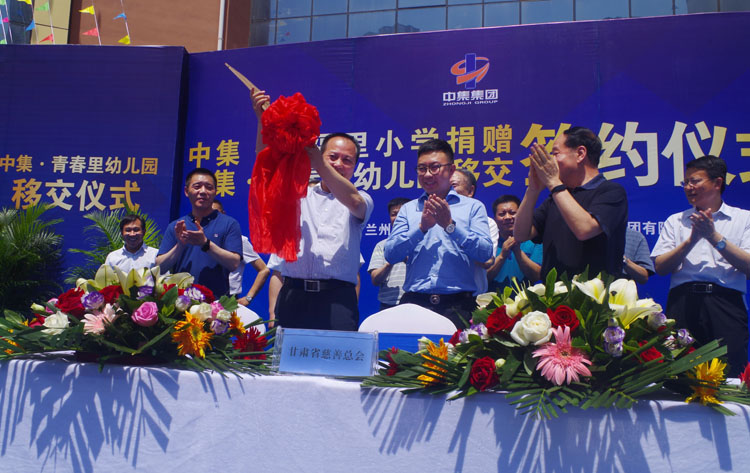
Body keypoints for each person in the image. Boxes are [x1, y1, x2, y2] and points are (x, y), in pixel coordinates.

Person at [252, 90, 374, 331]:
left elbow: (354, 202)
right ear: (322, 155)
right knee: (288, 356)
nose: (339, 164)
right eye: (332, 157)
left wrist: (318, 160)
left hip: (337, 299)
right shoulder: (299, 193)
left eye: (347, 160)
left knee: (337, 356)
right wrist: (263, 121)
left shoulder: (361, 199)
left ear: (355, 166)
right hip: (294, 295)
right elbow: (267, 165)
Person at [652, 155, 750, 376]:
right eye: (685, 182)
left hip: (725, 305)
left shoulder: (743, 219)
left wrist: (714, 237)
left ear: (717, 182)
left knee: (730, 374)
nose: (688, 187)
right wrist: (691, 240)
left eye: (695, 181)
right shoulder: (676, 221)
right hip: (682, 304)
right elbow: (660, 267)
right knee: (680, 376)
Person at [384, 139, 493, 328]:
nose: (427, 174)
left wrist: (450, 226)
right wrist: (421, 228)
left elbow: (485, 253)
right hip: (415, 303)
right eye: (422, 168)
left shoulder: (473, 207)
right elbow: (391, 254)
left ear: (451, 170)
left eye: (434, 167)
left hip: (459, 305)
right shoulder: (408, 209)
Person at [514, 126, 628, 279]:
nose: (551, 161)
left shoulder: (611, 192)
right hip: (554, 291)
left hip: (594, 292)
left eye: (556, 153)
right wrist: (533, 190)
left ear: (580, 154)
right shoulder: (555, 197)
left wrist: (554, 182)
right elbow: (521, 234)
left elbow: (584, 229)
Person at [156, 168, 242, 297]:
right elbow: (160, 267)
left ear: (215, 192)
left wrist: (205, 244)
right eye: (197, 187)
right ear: (186, 191)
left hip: (216, 303)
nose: (202, 191)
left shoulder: (229, 224)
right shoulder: (176, 226)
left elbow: (234, 263)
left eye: (209, 187)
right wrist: (180, 245)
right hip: (181, 301)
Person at [211, 200, 270, 306]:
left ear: (223, 214)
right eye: (208, 214)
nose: (212, 218)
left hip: (228, 299)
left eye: (216, 213)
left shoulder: (239, 240)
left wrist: (248, 298)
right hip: (201, 295)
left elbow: (264, 270)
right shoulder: (198, 239)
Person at [450, 168, 499, 294]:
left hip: (472, 297)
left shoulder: (488, 223)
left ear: (470, 191)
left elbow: (487, 261)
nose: (448, 191)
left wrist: (452, 232)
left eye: (453, 185)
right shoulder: (431, 220)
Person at [486, 195, 542, 291]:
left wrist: (518, 252)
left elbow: (537, 276)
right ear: (494, 219)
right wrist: (502, 255)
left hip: (526, 299)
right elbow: (483, 279)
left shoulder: (535, 240)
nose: (508, 217)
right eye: (502, 214)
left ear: (521, 215)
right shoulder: (487, 242)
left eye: (512, 213)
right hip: (492, 299)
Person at [368, 197, 410, 310]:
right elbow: (375, 280)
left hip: (416, 303)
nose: (397, 218)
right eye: (393, 214)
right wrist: (390, 261)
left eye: (401, 214)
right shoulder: (381, 245)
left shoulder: (421, 242)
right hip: (388, 305)